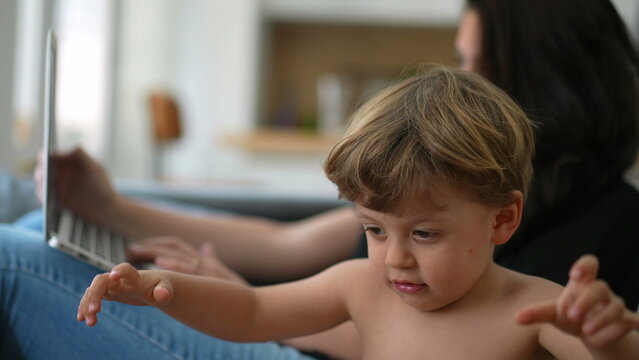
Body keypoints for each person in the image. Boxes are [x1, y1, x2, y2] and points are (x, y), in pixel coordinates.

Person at [1, 0, 638, 358]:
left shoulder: (534, 309)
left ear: (503, 219)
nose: (396, 258)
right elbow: (253, 308)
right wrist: (158, 286)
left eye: (423, 233)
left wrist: (607, 338)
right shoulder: (365, 287)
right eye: (373, 229)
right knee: (27, 223)